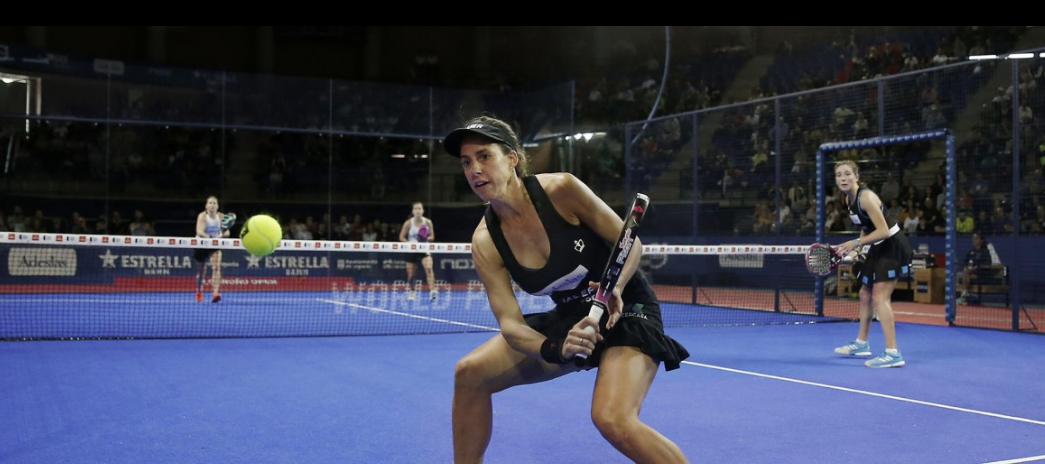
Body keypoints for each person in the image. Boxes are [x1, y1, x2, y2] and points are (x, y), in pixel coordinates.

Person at [443, 116, 690, 463]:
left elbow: (629, 243)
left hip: (628, 309)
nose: (474, 170)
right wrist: (556, 347)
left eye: (484, 156)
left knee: (612, 419)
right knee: (469, 374)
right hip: (572, 320)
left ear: (511, 158)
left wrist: (614, 286)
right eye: (466, 162)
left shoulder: (561, 190)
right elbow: (511, 325)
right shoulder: (485, 242)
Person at [833, 160, 913, 368]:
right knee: (864, 293)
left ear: (856, 177)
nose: (843, 178)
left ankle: (893, 353)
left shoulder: (866, 197)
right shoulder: (849, 200)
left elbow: (884, 230)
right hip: (879, 246)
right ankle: (861, 344)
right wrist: (857, 251)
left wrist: (856, 243)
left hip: (893, 245)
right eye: (839, 174)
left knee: (879, 295)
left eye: (847, 174)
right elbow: (866, 227)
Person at [194, 195, 231, 303]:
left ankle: (215, 293)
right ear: (206, 206)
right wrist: (211, 238)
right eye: (210, 203)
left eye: (214, 203)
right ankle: (199, 291)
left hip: (215, 245)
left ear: (217, 206)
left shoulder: (222, 217)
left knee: (216, 267)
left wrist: (221, 236)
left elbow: (227, 232)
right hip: (201, 244)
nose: (212, 205)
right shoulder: (202, 216)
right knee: (201, 271)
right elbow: (199, 231)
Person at [398, 201, 437, 301]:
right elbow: (401, 237)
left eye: (419, 208)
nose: (417, 211)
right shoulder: (408, 223)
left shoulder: (428, 222)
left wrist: (425, 239)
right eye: (415, 209)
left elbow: (432, 236)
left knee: (429, 269)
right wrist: (409, 243)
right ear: (413, 211)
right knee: (411, 273)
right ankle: (412, 292)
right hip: (411, 249)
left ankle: (432, 292)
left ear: (423, 210)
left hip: (424, 248)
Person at [958, 232, 1002, 304]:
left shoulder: (985, 251)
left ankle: (964, 296)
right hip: (970, 273)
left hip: (982, 274)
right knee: (965, 274)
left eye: (976, 238)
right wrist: (966, 268)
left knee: (965, 274)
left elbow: (986, 264)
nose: (974, 240)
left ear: (981, 240)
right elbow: (964, 262)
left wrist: (974, 269)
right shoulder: (971, 251)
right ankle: (965, 294)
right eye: (973, 238)